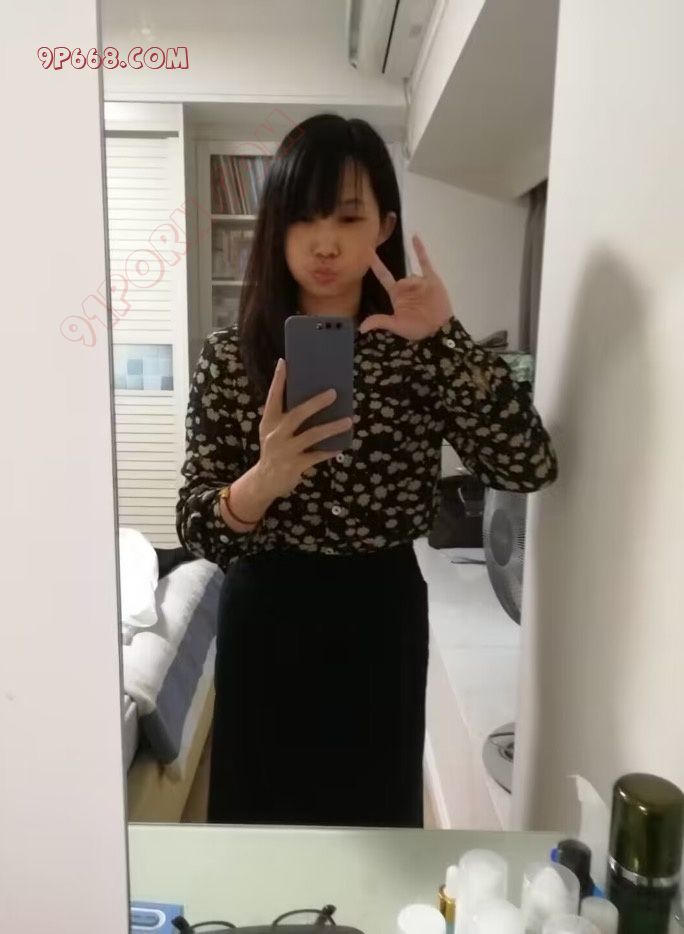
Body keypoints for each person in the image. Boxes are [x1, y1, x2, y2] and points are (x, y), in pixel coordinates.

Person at [176, 113, 558, 828]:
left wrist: (445, 338)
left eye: (348, 217)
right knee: (261, 830)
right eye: (304, 216)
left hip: (379, 614)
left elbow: (527, 463)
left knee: (378, 825)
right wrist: (263, 480)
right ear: (276, 226)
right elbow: (197, 531)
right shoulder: (230, 357)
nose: (325, 242)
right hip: (266, 618)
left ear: (384, 226)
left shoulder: (422, 352)